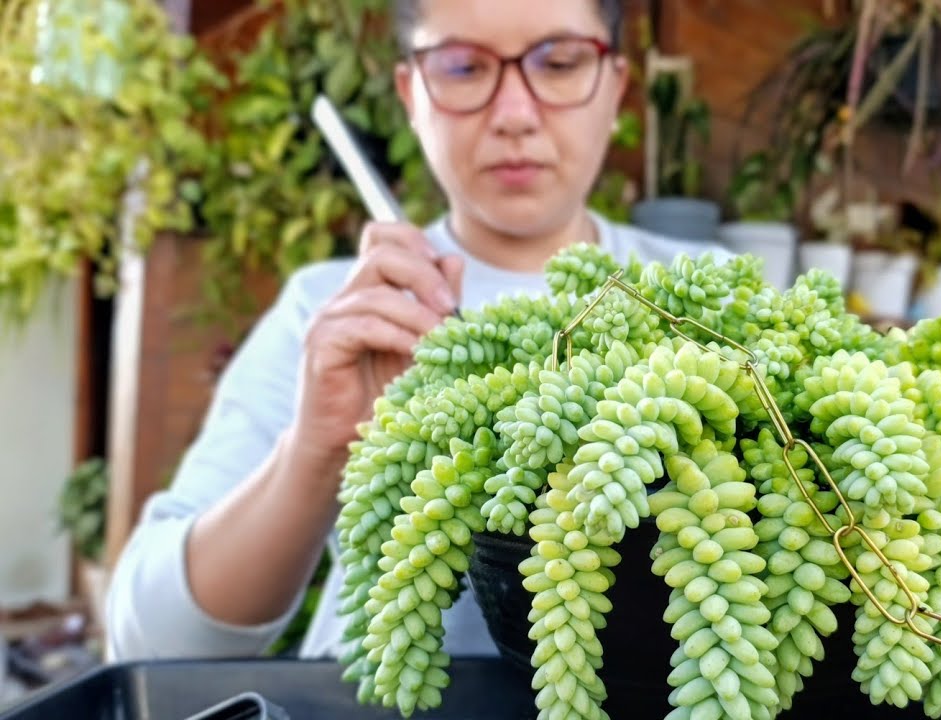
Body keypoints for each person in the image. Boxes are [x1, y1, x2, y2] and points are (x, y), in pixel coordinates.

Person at [105, 0, 731, 661]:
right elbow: (149, 639)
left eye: (559, 63)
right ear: (411, 93)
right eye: (463, 67)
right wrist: (317, 451)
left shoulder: (713, 304)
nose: (514, 114)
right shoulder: (342, 314)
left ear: (615, 85)